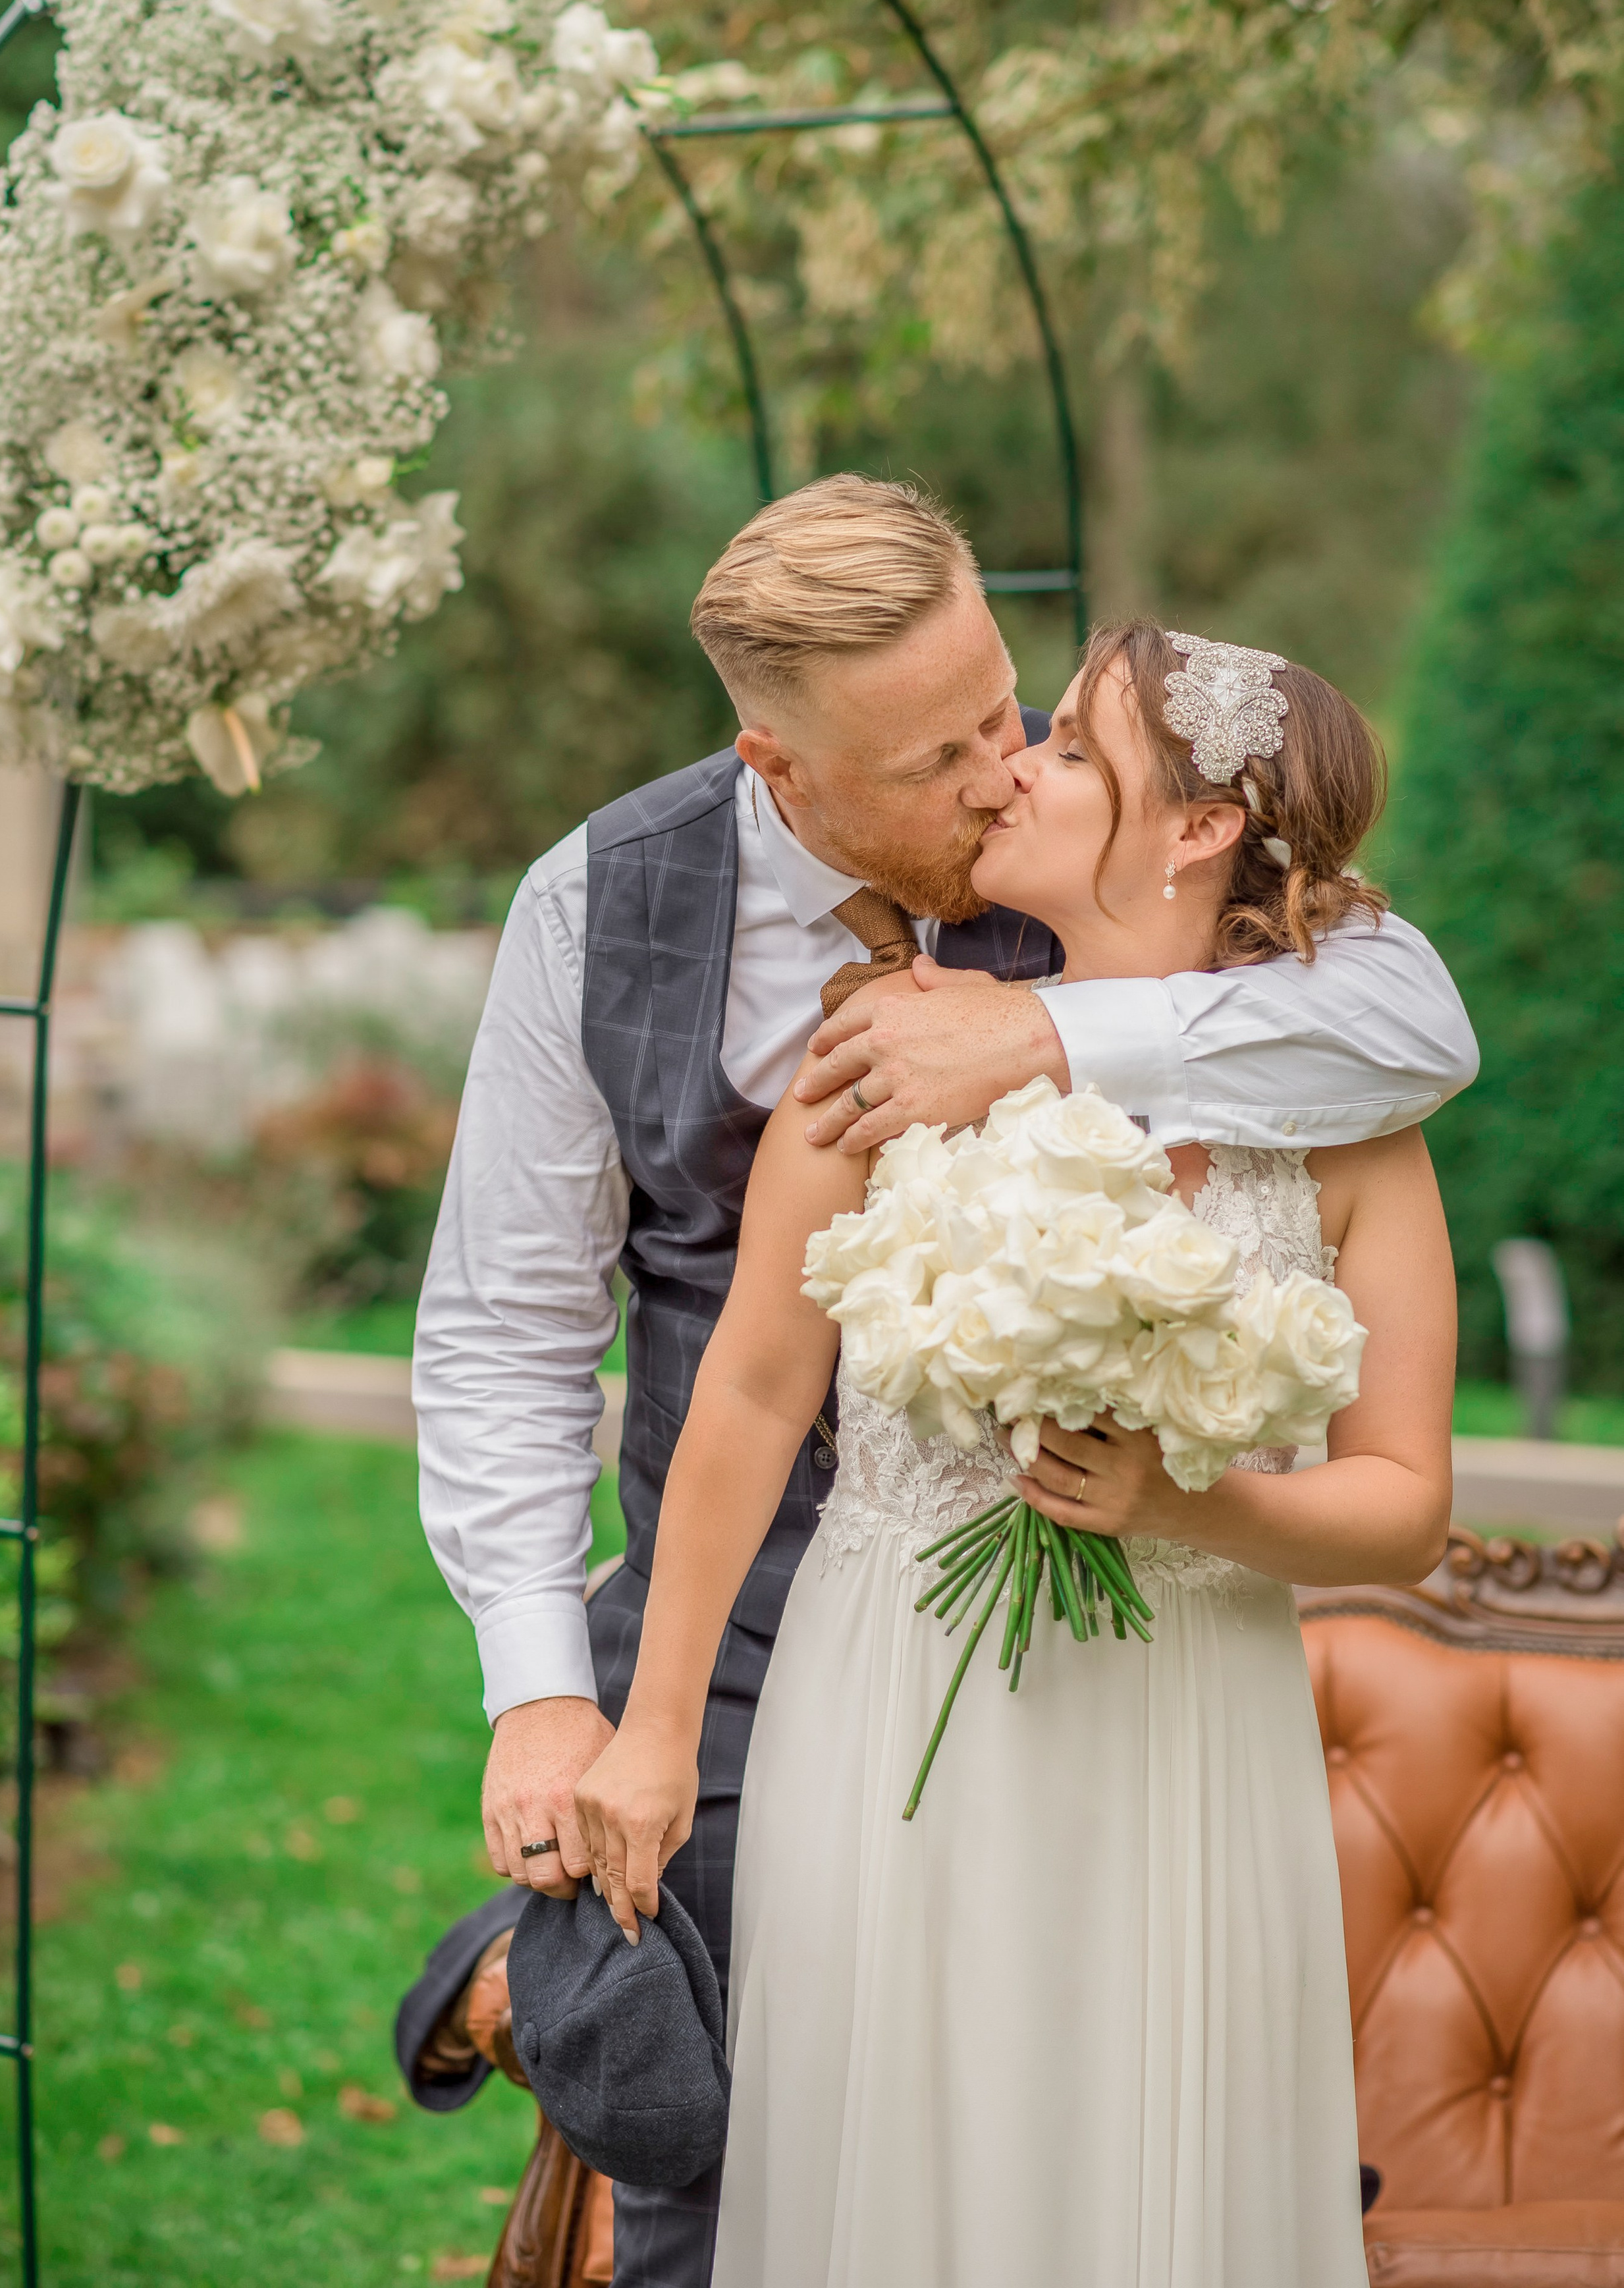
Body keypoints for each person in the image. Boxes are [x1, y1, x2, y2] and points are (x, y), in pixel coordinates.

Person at [414, 477, 1476, 2288]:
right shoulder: (603, 908)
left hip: (1155, 1681)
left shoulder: (1158, 934)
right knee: (744, 2177)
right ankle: (526, 1971)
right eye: (952, 755)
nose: (1002, 773)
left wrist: (1051, 1028)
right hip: (777, 1634)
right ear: (782, 767)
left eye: (1020, 717)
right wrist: (559, 1697)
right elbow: (518, 1333)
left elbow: (1418, 1029)